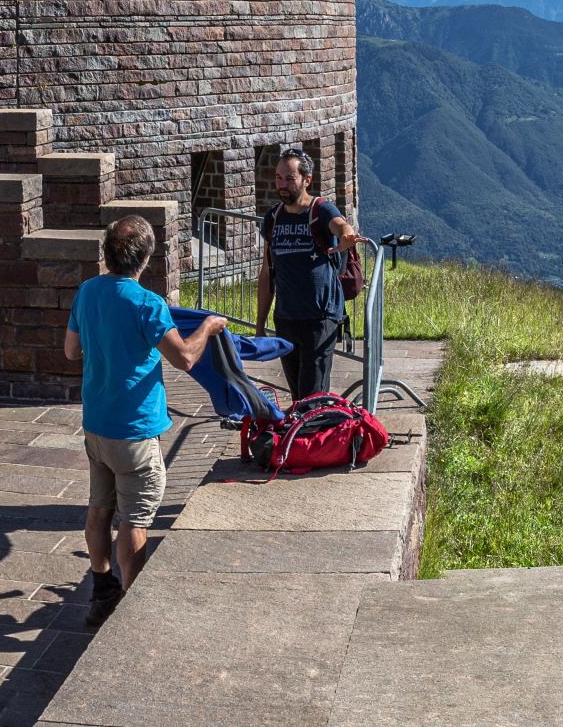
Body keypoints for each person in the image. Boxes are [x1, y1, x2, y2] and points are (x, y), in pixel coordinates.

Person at [64, 214, 228, 626]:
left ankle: (101, 588)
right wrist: (208, 326)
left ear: (107, 253)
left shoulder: (87, 292)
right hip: (135, 430)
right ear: (146, 259)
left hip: (96, 424)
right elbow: (185, 356)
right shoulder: (147, 304)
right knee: (134, 522)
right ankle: (130, 610)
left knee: (99, 510)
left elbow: (70, 351)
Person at [254, 148, 359, 402]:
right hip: (286, 318)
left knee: (313, 397)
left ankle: (314, 439)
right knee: (298, 395)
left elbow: (338, 222)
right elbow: (267, 274)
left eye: (290, 178)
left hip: (320, 318)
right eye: (279, 177)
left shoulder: (319, 209)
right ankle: (304, 439)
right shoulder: (273, 218)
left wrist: (346, 233)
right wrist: (259, 323)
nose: (282, 184)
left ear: (307, 180)